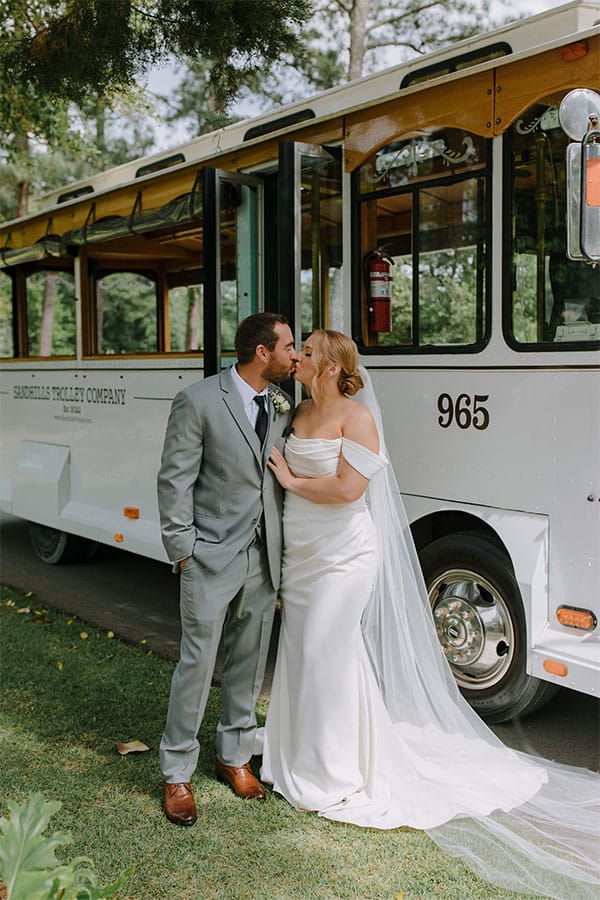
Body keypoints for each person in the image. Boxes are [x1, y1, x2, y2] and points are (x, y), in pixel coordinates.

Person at [261, 329, 600, 899]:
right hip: (301, 553)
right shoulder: (293, 417)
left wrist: (292, 479)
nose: (298, 356)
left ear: (330, 362)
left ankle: (336, 770)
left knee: (328, 650)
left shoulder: (357, 418)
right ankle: (299, 756)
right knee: (302, 651)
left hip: (344, 556)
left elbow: (348, 491)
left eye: (309, 349)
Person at [157, 312, 297, 826]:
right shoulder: (197, 401)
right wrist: (183, 548)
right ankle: (177, 773)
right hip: (210, 554)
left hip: (263, 554)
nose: (294, 355)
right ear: (262, 353)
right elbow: (174, 480)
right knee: (197, 663)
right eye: (288, 347)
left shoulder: (282, 404)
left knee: (249, 659)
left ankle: (233, 756)